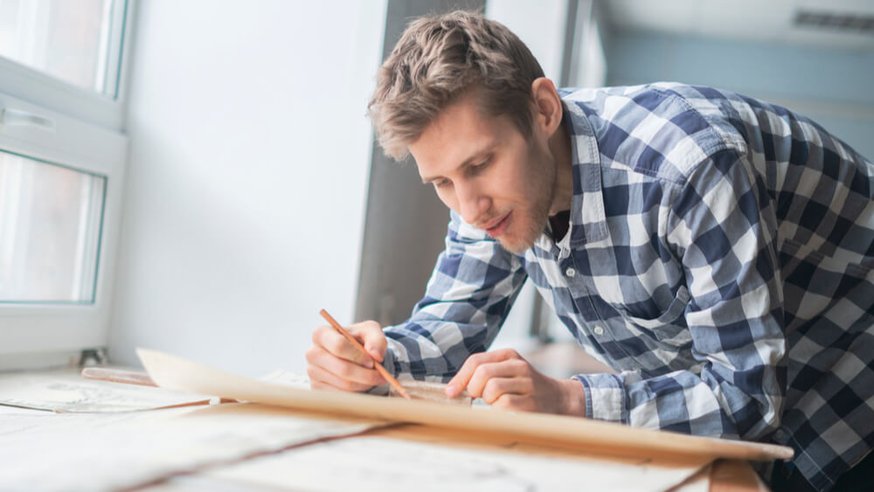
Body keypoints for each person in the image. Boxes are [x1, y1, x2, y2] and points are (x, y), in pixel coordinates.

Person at [305, 10, 873, 491]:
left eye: (479, 165)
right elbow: (447, 332)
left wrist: (569, 400)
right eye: (443, 183)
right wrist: (371, 360)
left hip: (854, 381)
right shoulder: (486, 199)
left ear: (544, 110)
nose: (469, 207)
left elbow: (746, 397)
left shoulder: (688, 167)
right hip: (764, 409)